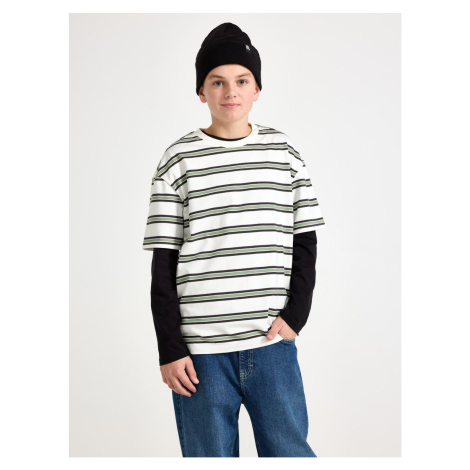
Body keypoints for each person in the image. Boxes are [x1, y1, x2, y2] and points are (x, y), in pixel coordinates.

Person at [142, 22, 326, 457]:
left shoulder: (284, 153)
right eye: (217, 82)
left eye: (242, 81)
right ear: (201, 92)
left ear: (257, 89)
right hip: (199, 354)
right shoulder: (178, 159)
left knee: (289, 452)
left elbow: (305, 241)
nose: (230, 92)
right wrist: (170, 348)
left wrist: (296, 315)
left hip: (270, 343)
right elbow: (163, 263)